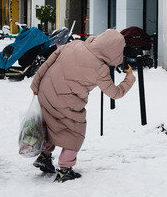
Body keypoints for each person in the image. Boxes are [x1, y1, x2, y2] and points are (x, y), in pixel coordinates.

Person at [30, 28, 136, 182]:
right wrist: (130, 78)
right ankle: (64, 170)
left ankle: (44, 156)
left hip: (46, 92)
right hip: (66, 102)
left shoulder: (75, 44)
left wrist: (35, 84)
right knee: (74, 132)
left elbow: (49, 62)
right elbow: (115, 93)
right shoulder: (100, 69)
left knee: (52, 125)